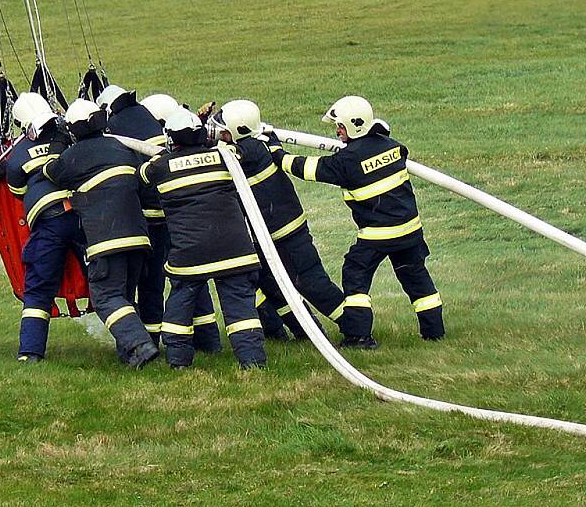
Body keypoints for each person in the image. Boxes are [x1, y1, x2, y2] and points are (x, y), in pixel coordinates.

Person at [270, 95, 444, 348]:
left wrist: (276, 151)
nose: (337, 131)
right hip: (411, 230)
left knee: (355, 275)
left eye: (339, 126)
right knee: (416, 277)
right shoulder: (393, 146)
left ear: (352, 127)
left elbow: (306, 168)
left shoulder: (346, 162)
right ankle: (434, 332)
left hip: (378, 235)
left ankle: (359, 336)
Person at [207, 99, 347, 341]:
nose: (220, 134)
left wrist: (193, 138)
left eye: (224, 130)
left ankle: (355, 325)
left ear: (237, 132)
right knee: (271, 286)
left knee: (310, 283)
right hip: (267, 236)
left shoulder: (248, 150)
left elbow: (220, 157)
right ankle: (303, 331)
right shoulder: (255, 144)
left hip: (286, 234)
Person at [139, 107, 266, 369]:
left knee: (179, 306)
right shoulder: (224, 157)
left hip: (190, 255)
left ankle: (178, 361)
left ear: (171, 139)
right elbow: (247, 151)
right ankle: (253, 362)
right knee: (241, 309)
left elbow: (142, 176)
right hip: (235, 250)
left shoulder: (159, 166)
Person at [42, 99, 159, 368]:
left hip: (106, 242)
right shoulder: (121, 147)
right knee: (125, 298)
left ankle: (140, 344)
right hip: (140, 239)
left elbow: (50, 170)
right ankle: (131, 356)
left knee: (106, 297)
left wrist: (58, 141)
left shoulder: (74, 156)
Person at [0, 92, 85, 363]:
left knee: (38, 288)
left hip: (49, 224)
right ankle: (134, 342)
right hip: (81, 216)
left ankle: (30, 352)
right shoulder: (69, 135)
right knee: (106, 279)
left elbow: (16, 190)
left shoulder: (18, 154)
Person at [137, 92, 222, 353]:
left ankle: (151, 343)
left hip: (158, 227)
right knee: (195, 282)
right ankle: (208, 341)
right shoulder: (188, 145)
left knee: (156, 285)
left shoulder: (153, 153)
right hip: (185, 225)